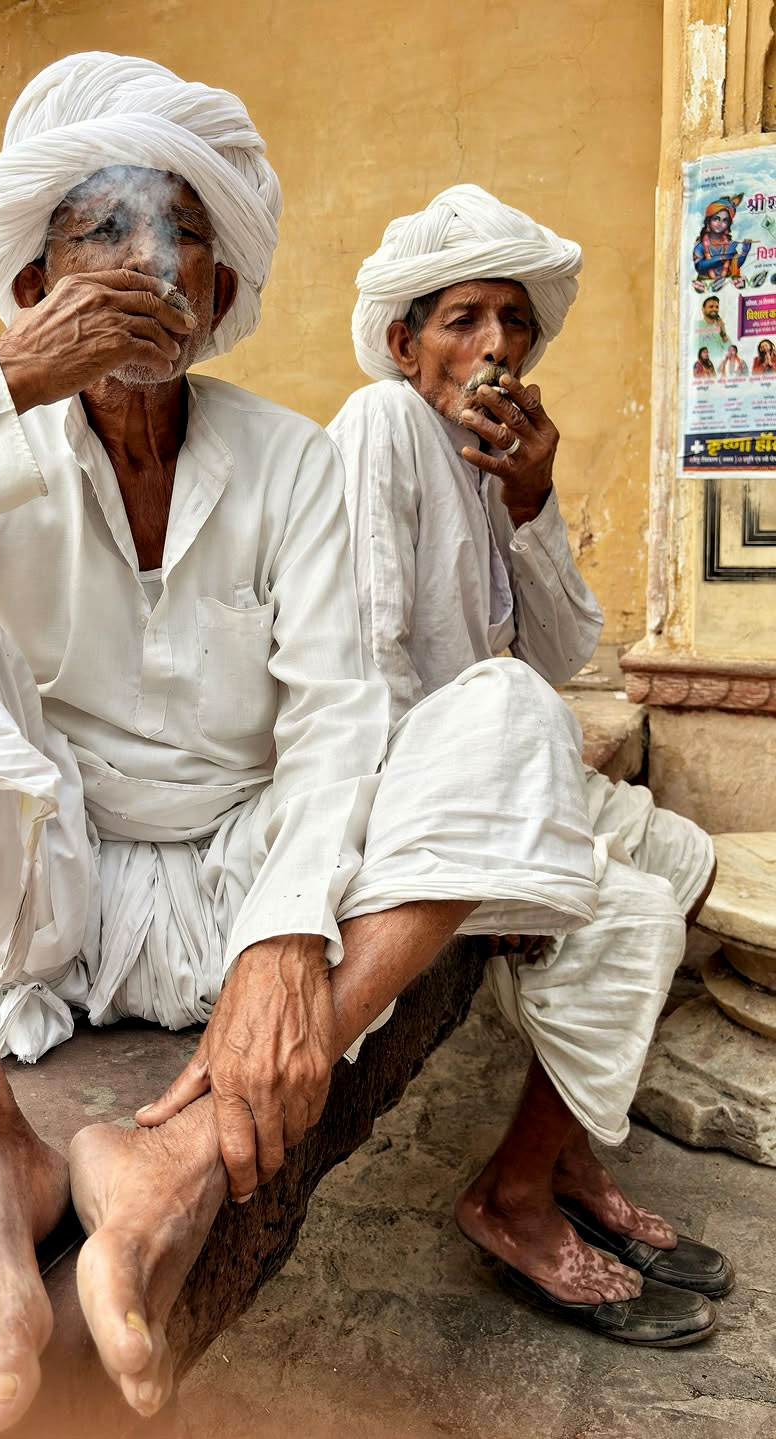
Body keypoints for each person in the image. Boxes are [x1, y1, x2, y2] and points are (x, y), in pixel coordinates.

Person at [0, 60, 603, 1434]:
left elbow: (338, 714)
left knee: (510, 712)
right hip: (46, 889)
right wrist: (7, 380)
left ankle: (176, 1153)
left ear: (219, 292)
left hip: (246, 890)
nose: (147, 263)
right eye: (102, 231)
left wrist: (284, 937)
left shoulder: (292, 459)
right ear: (33, 284)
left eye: (180, 234)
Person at [328, 184, 731, 1348]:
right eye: (462, 319)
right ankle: (511, 1195)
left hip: (504, 764)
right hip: (421, 792)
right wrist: (470, 853)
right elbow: (361, 661)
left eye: (513, 319)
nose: (496, 343)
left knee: (683, 855)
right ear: (404, 341)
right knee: (633, 914)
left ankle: (563, 1158)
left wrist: (534, 497)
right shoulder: (382, 423)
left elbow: (561, 652)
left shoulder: (496, 461)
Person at [692, 194, 751, 291]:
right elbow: (700, 267)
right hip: (706, 286)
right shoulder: (701, 245)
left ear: (728, 225)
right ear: (708, 221)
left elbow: (734, 265)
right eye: (716, 219)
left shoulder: (730, 244)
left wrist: (744, 253)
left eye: (725, 220)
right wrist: (723, 257)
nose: (720, 223)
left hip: (727, 286)